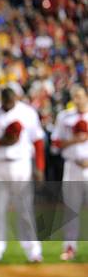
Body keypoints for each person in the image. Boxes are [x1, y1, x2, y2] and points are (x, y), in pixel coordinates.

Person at [0, 86, 45, 263]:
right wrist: (0, 141)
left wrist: (39, 167)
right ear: (1, 99)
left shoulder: (27, 112)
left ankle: (33, 251)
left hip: (21, 164)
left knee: (25, 210)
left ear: (16, 97)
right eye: (5, 100)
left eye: (10, 99)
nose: (8, 102)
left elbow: (37, 141)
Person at [51, 84, 88, 261]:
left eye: (80, 95)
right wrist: (74, 140)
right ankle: (70, 247)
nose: (77, 99)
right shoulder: (64, 117)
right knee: (71, 209)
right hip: (72, 166)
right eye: (74, 96)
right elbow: (56, 143)